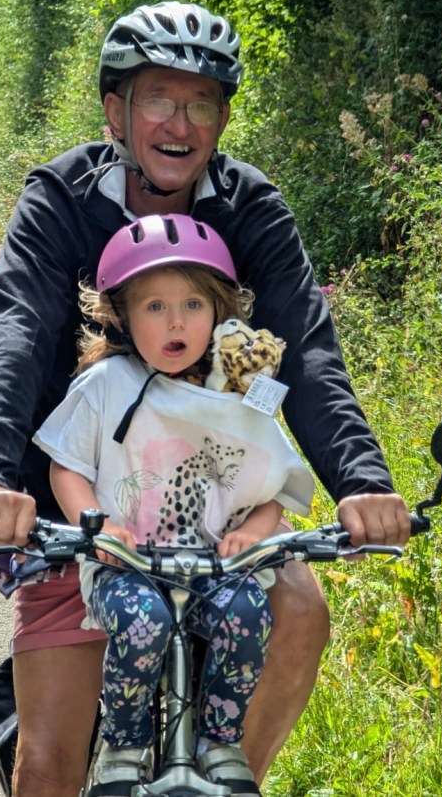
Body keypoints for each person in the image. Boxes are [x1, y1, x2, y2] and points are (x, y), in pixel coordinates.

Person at [0, 0, 410, 797]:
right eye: (159, 98)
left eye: (202, 104)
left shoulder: (249, 206)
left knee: (301, 608)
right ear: (115, 111)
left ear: (222, 120)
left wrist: (362, 480)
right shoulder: (61, 198)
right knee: (49, 766)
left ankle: (233, 782)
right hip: (81, 507)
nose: (180, 123)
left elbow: (307, 348)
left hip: (214, 512)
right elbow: (17, 330)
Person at [30, 213, 314, 796]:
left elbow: (270, 490)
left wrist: (256, 532)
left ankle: (220, 740)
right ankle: (125, 742)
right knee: (143, 621)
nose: (176, 321)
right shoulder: (106, 384)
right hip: (125, 566)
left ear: (220, 313)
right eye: (154, 306)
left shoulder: (239, 402)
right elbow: (67, 465)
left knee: (247, 614)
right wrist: (96, 526)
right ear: (121, 315)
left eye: (193, 304)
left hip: (216, 567)